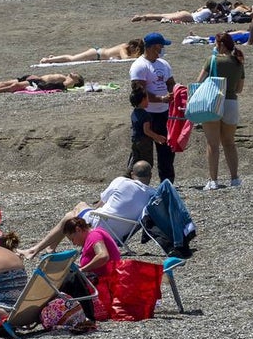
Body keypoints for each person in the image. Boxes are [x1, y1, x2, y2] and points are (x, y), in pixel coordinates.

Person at [19, 161, 156, 259]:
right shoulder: (153, 195)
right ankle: (49, 248)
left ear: (132, 174)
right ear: (150, 175)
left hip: (100, 226)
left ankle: (35, 249)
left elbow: (102, 203)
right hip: (120, 237)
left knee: (78, 208)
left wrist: (91, 212)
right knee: (71, 215)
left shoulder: (122, 181)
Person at [198, 33, 246, 191]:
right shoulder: (238, 62)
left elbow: (199, 82)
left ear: (221, 45)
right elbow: (239, 89)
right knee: (229, 143)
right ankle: (235, 178)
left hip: (213, 101)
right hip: (231, 102)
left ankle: (213, 180)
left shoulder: (212, 60)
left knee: (212, 143)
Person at [129, 33, 176, 183]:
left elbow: (170, 82)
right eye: (160, 46)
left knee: (166, 152)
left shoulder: (163, 64)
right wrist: (160, 98)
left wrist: (174, 92)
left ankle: (167, 183)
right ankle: (137, 182)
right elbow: (139, 91)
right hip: (147, 113)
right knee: (143, 153)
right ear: (151, 47)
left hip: (164, 112)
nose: (162, 49)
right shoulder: (139, 65)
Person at [129, 87, 167, 171]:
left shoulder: (134, 113)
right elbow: (146, 131)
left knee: (134, 161)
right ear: (143, 99)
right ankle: (142, 180)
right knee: (147, 164)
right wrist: (158, 137)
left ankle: (129, 177)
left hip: (135, 141)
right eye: (147, 98)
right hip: (144, 143)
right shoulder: (146, 115)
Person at [41, 38, 144, 64]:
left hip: (97, 53)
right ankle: (47, 60)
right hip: (96, 53)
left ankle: (53, 58)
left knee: (73, 58)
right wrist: (138, 57)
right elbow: (125, 58)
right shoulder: (123, 47)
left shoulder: (125, 48)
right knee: (72, 59)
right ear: (132, 46)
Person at [0, 72, 84, 94]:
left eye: (75, 75)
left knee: (14, 86)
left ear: (76, 81)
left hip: (37, 83)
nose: (73, 73)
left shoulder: (66, 83)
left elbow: (49, 84)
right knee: (4, 82)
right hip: (33, 78)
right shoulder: (64, 77)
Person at [131, 1, 221, 23]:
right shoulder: (209, 12)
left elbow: (199, 10)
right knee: (163, 17)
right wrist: (218, 13)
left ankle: (143, 16)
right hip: (189, 17)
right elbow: (213, 18)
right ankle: (142, 17)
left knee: (162, 15)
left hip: (187, 14)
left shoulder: (204, 9)